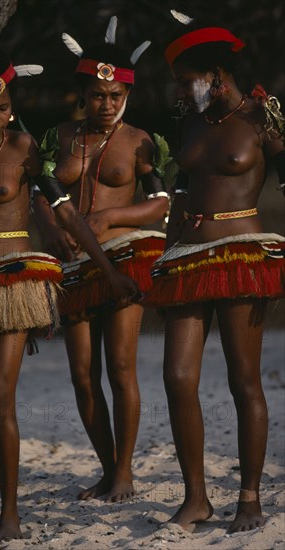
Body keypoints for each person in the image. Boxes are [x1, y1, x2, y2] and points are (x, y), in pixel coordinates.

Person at [0, 22, 138, 550]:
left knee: (1, 398)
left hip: (16, 282)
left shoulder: (25, 148)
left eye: (2, 108)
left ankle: (9, 513)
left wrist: (110, 272)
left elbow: (65, 213)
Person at [146, 11, 285, 533]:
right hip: (186, 260)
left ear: (214, 76)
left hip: (242, 256)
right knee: (177, 376)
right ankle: (196, 498)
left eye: (186, 80)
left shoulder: (262, 118)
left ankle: (249, 498)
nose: (180, 90)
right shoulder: (191, 121)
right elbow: (181, 192)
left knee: (243, 379)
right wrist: (163, 254)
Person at [33, 16, 170, 502]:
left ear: (127, 94)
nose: (106, 104)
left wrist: (110, 219)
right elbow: (40, 194)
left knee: (121, 367)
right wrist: (54, 232)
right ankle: (108, 468)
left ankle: (127, 473)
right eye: (97, 95)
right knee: (81, 375)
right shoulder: (57, 138)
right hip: (72, 265)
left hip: (126, 255)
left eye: (114, 97)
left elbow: (161, 202)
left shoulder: (141, 140)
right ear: (83, 94)